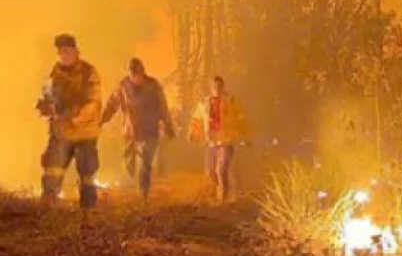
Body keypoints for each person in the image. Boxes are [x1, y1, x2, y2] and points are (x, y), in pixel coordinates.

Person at [36, 34, 102, 209]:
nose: (63, 55)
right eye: (60, 52)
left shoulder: (89, 72)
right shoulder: (55, 72)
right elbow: (47, 96)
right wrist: (44, 107)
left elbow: (92, 103)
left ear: (75, 50)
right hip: (61, 132)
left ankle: (88, 215)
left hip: (84, 133)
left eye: (66, 50)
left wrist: (72, 117)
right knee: (52, 170)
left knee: (87, 175)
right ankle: (47, 211)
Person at [101, 58, 175, 200]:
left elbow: (163, 107)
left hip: (149, 130)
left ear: (142, 72)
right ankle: (128, 191)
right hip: (130, 130)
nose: (135, 78)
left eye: (137, 74)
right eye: (132, 74)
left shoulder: (153, 86)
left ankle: (143, 192)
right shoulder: (123, 86)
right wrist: (103, 119)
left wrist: (168, 126)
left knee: (146, 162)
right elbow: (112, 104)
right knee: (128, 161)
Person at [187, 75, 250, 203]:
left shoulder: (231, 101)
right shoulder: (205, 103)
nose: (217, 89)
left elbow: (241, 119)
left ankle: (224, 196)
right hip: (211, 142)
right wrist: (192, 133)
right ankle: (218, 189)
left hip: (226, 141)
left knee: (221, 169)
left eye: (219, 86)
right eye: (214, 87)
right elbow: (196, 120)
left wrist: (246, 135)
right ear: (211, 88)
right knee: (210, 171)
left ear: (223, 87)